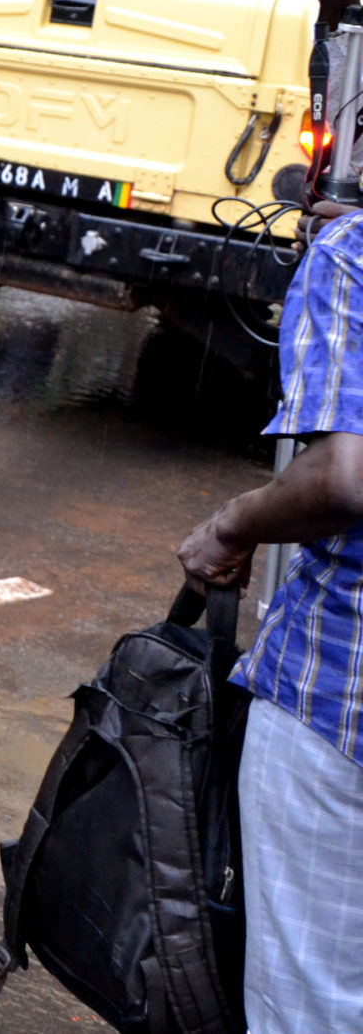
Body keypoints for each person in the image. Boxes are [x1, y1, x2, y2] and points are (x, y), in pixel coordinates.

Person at [179, 202, 363, 1031]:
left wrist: (231, 523)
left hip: (338, 710)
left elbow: (344, 476)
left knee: (312, 1008)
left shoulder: (352, 255)